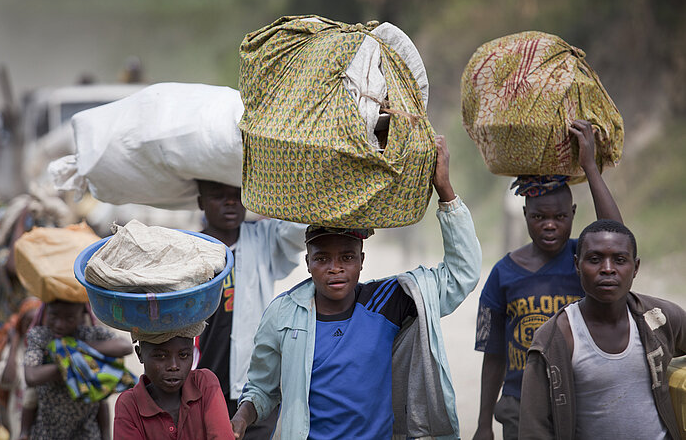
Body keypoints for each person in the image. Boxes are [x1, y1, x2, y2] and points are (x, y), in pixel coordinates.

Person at [230, 135, 482, 439]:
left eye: (346, 257)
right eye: (322, 258)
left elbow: (461, 274)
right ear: (307, 262)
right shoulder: (284, 314)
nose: (335, 267)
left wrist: (445, 192)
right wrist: (242, 418)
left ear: (361, 261)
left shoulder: (389, 301)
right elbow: (262, 388)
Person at [472, 120, 624, 440]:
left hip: (582, 396)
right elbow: (494, 353)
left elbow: (616, 236)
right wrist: (484, 423)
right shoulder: (504, 273)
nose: (550, 226)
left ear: (573, 213)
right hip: (519, 404)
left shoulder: (585, 261)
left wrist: (589, 167)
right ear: (525, 214)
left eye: (559, 217)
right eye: (539, 217)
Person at [519, 219, 686, 439]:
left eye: (619, 260)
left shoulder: (659, 317)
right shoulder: (555, 339)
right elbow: (534, 428)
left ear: (635, 268)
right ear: (577, 265)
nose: (608, 269)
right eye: (595, 259)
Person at [194, 180, 306, 439]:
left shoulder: (264, 237)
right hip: (205, 384)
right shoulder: (192, 248)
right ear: (201, 202)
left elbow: (300, 227)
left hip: (256, 387)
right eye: (218, 196)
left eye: (237, 195)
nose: (230, 202)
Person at [23, 299, 133, 440]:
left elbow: (125, 346)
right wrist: (72, 364)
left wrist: (77, 348)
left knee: (101, 394)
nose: (59, 324)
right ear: (45, 312)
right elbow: (31, 376)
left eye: (69, 318)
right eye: (54, 316)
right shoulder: (40, 336)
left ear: (83, 316)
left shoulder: (90, 335)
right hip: (47, 430)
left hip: (86, 430)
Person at [114, 335, 234, 439]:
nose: (174, 366)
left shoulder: (204, 383)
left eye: (183, 355)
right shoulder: (130, 404)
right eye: (160, 356)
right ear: (139, 354)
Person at [0, 297, 41, 440]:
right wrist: (13, 344)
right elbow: (6, 381)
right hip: (16, 416)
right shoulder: (15, 348)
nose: (31, 329)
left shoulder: (46, 347)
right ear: (20, 324)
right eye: (27, 322)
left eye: (35, 323)